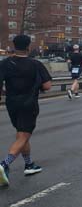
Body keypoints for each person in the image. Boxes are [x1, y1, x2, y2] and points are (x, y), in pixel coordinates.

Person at [0, 34, 53, 186]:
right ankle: (4, 164)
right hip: (28, 103)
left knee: (21, 133)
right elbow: (47, 85)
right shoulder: (35, 64)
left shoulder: (5, 63)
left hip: (11, 104)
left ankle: (29, 164)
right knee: (23, 135)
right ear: (28, 47)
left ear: (13, 46)